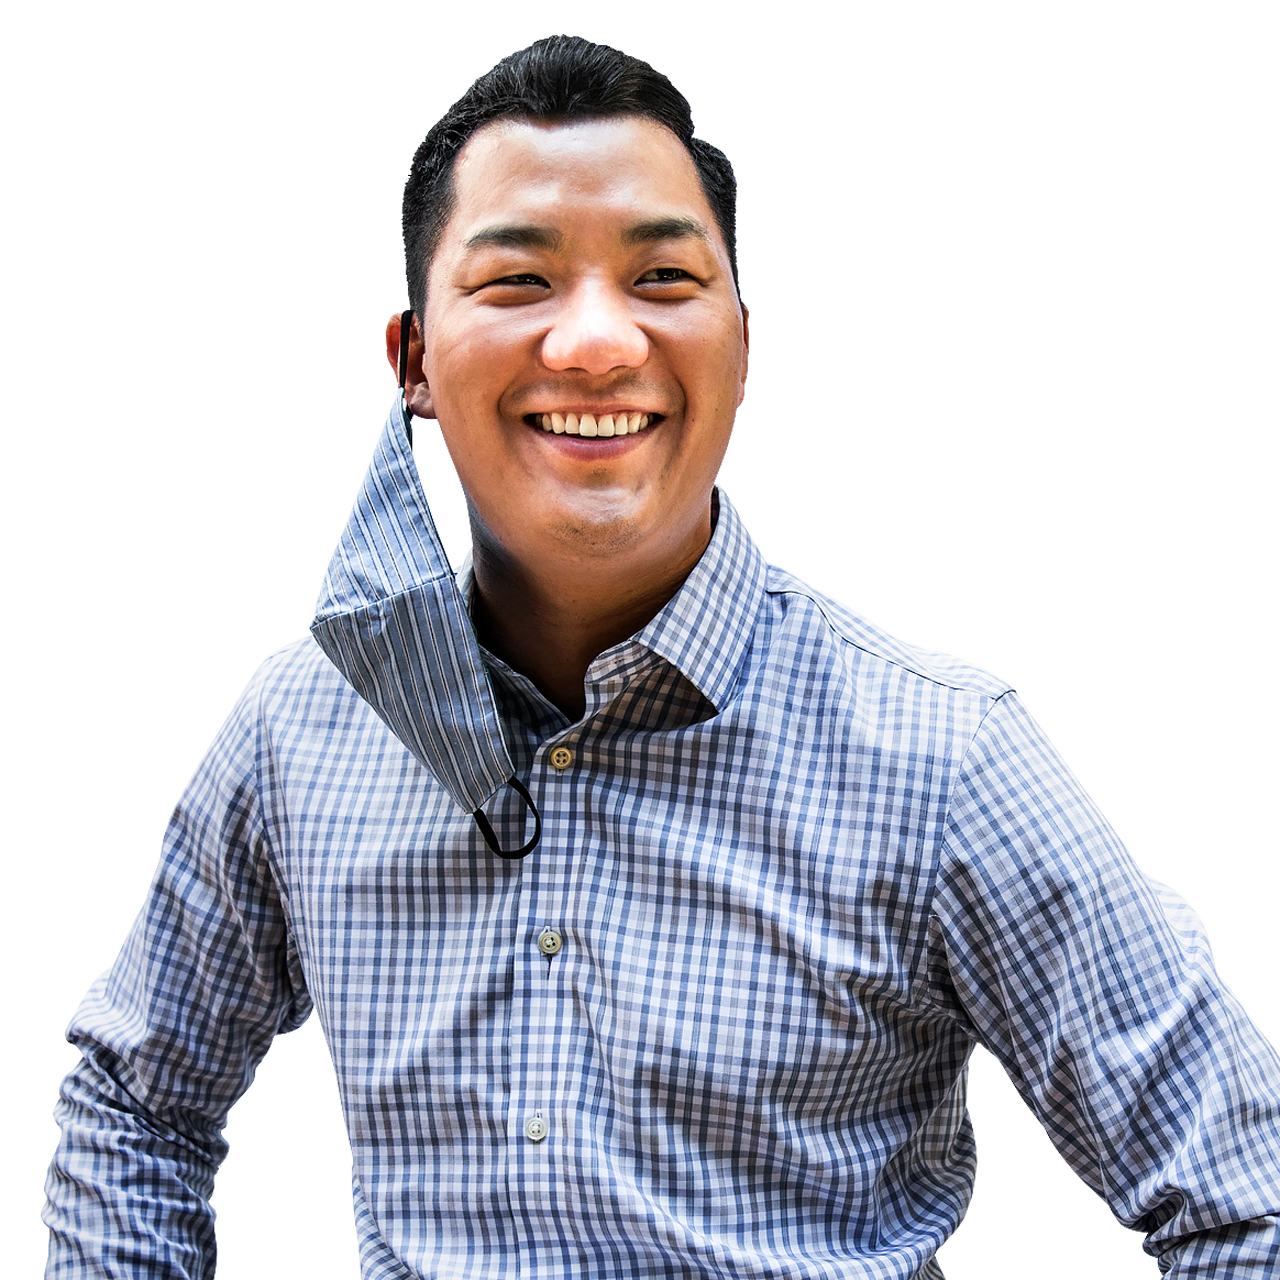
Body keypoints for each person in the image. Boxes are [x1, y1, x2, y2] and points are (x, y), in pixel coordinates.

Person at [45, 36, 1280, 1280]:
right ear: (414, 363)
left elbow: (1241, 1204)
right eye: (517, 279)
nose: (593, 341)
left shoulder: (940, 759)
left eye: (663, 276)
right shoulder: (301, 731)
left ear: (745, 343)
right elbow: (132, 1103)